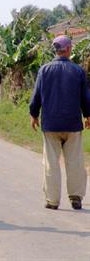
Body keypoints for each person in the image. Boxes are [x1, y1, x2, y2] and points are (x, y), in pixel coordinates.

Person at [29, 35, 90, 210]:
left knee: (51, 163)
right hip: (72, 124)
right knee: (75, 162)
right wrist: (88, 115)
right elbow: (85, 97)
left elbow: (36, 96)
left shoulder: (44, 70)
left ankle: (52, 201)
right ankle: (76, 197)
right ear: (69, 49)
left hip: (50, 125)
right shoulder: (78, 71)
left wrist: (34, 114)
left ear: (56, 50)